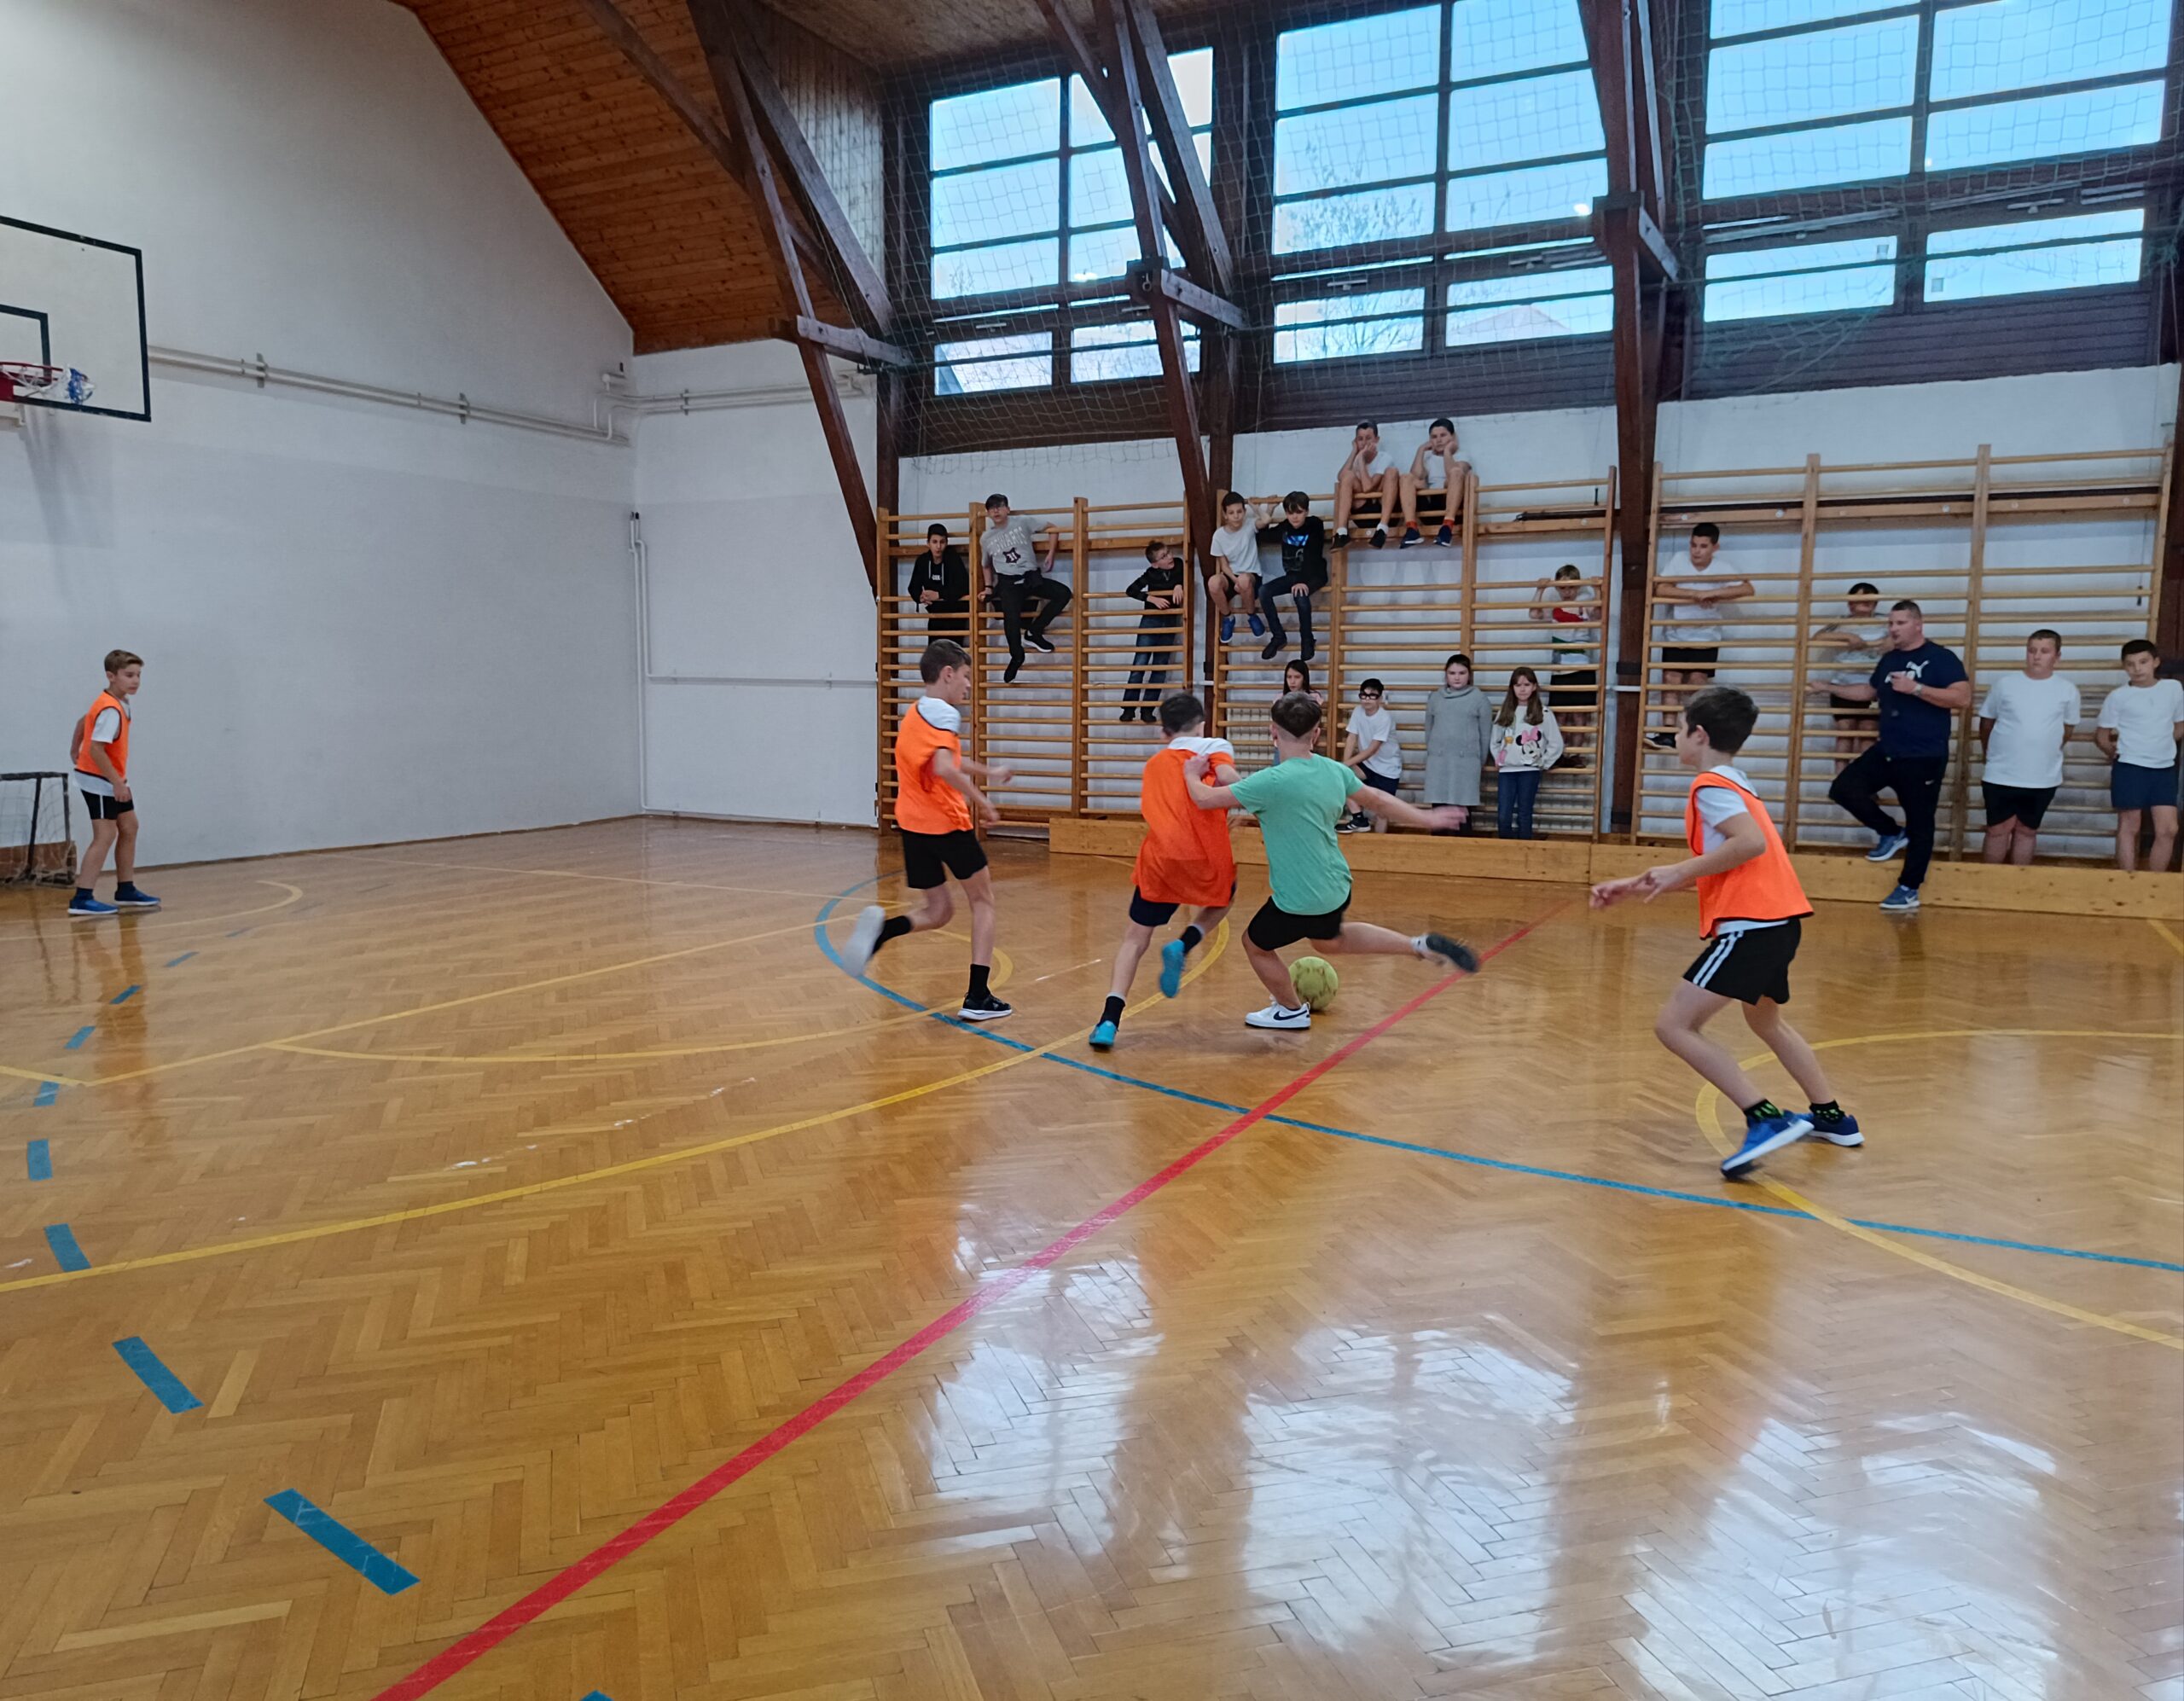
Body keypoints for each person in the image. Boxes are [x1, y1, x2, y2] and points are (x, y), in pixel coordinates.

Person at [1590, 685, 1861, 1180]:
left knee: (1674, 1026)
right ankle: (1831, 1117)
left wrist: (1677, 870)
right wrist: (1635, 884)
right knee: (1766, 1023)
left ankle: (1765, 1117)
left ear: (1699, 734)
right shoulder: (1737, 784)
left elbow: (1750, 844)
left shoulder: (1709, 786)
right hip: (1778, 923)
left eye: (1678, 729)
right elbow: (1726, 862)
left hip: (1750, 928)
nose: (1674, 737)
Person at [1182, 692, 1477, 1030]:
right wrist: (1427, 818)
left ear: (1272, 732)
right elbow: (1378, 800)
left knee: (1255, 944)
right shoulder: (1335, 771)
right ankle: (1417, 945)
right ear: (1317, 733)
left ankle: (1290, 1011)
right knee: (1329, 940)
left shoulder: (1269, 782)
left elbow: (1204, 799)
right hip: (1335, 886)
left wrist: (1191, 773)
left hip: (1299, 899)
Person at [844, 639, 1014, 1020]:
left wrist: (989, 771)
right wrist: (983, 800)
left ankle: (883, 932)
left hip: (913, 825)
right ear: (948, 674)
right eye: (966, 676)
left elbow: (945, 759)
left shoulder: (916, 714)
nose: (968, 684)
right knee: (983, 902)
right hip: (946, 823)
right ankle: (978, 996)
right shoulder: (946, 714)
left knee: (939, 911)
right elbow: (944, 768)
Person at [1089, 693, 1241, 1051]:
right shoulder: (1214, 747)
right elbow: (1230, 781)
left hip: (1161, 861)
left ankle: (1108, 1021)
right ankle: (1184, 943)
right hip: (1204, 860)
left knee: (1134, 940)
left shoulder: (1154, 764)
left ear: (1164, 732)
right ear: (1201, 724)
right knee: (1225, 898)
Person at [1815, 599, 1971, 913]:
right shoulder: (1889, 659)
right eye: (1891, 624)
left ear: (1918, 625)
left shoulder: (1940, 658)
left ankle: (1909, 887)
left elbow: (1963, 698)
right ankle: (1889, 832)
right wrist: (1827, 687)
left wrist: (1917, 689)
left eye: (1900, 623)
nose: (1894, 629)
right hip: (1888, 749)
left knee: (1920, 823)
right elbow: (1870, 692)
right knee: (1844, 789)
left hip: (1923, 755)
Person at [68, 647, 159, 920]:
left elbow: (84, 720)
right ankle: (82, 898)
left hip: (110, 779)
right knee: (105, 835)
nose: (136, 681)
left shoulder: (116, 701)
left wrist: (74, 746)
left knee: (129, 827)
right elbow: (96, 749)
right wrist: (117, 783)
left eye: (138, 675)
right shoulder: (110, 708)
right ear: (111, 676)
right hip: (99, 780)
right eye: (129, 675)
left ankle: (126, 889)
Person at [1647, 522, 1753, 750]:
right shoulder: (1679, 560)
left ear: (1715, 547)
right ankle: (1667, 732)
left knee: (1697, 683)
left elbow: (1746, 588)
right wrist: (1695, 594)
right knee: (1671, 682)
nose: (1696, 551)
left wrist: (1714, 592)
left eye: (1703, 546)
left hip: (1706, 636)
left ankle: (1692, 731)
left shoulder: (1722, 567)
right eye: (1693, 545)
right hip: (1676, 634)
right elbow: (1661, 588)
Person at [1978, 629, 2078, 866]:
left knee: (2027, 830)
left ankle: (2019, 881)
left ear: (2057, 656)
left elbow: (2066, 730)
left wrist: (2045, 750)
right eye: (2032, 650)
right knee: (1997, 829)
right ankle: (1989, 881)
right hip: (2002, 772)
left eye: (2044, 651)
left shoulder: (2067, 690)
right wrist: (1991, 754)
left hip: (2042, 776)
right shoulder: (2005, 685)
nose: (2037, 656)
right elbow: (1986, 723)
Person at [2096, 638, 2183, 872]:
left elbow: (2180, 723)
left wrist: (2161, 743)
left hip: (2163, 768)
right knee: (2129, 826)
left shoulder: (2173, 689)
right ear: (2124, 667)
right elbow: (2102, 736)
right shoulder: (2118, 697)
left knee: (2168, 829)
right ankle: (2128, 881)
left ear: (2156, 662)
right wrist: (2117, 753)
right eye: (2130, 664)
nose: (2137, 669)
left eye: (2143, 662)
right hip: (2130, 767)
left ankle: (2154, 882)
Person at [977, 494, 1068, 684]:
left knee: (1063, 594)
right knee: (1011, 620)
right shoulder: (986, 538)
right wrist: (988, 587)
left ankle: (1034, 631)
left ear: (1007, 509)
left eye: (999, 506)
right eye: (992, 508)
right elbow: (986, 565)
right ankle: (1017, 656)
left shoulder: (1022, 522)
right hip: (1008, 582)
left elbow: (1053, 528)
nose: (996, 510)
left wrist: (1051, 554)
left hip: (1029, 576)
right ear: (988, 513)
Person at [1809, 583, 1886, 767]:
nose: (1865, 602)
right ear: (1850, 604)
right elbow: (1818, 637)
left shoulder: (1885, 622)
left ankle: (1866, 780)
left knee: (1868, 731)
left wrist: (1884, 641)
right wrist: (1847, 636)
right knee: (1845, 731)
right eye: (1860, 599)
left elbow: (1899, 636)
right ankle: (1841, 779)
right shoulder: (1841, 622)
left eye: (1869, 599)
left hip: (1872, 686)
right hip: (1843, 685)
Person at [1531, 564, 1598, 769]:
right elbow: (1534, 614)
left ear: (1578, 587)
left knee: (1579, 715)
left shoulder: (1583, 605)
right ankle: (1559, 753)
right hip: (1559, 669)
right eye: (1562, 588)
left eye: (1571, 587)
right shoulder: (1554, 607)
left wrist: (1598, 589)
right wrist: (1540, 590)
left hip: (1582, 668)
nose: (1567, 592)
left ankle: (1576, 754)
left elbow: (1599, 614)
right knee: (1559, 714)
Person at [1422, 653, 1494, 832]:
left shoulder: (1479, 699)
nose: (1457, 677)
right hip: (1439, 763)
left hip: (1466, 764)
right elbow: (1429, 729)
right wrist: (1434, 753)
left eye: (1462, 673)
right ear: (1446, 674)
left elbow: (1485, 735)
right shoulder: (1435, 698)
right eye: (1452, 673)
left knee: (1462, 814)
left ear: (1469, 675)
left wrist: (1477, 762)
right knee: (1438, 812)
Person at [1256, 491, 1328, 663]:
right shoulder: (1285, 527)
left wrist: (1304, 582)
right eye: (1290, 513)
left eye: (1299, 512)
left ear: (1306, 512)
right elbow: (1262, 536)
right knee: (1264, 591)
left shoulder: (1315, 525)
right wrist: (1269, 510)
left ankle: (1307, 639)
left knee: (1300, 596)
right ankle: (1278, 636)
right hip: (1294, 577)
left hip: (1314, 575)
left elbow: (1313, 554)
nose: (1295, 517)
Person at [1490, 667, 1563, 839]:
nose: (1522, 689)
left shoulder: (1544, 713)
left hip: (1529, 771)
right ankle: (1506, 847)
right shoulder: (1505, 712)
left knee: (1524, 813)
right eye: (1518, 685)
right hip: (1507, 770)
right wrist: (1499, 758)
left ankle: (1525, 848)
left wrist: (1543, 762)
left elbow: (1556, 743)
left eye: (1526, 685)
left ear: (1534, 687)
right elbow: (1495, 740)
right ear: (1512, 688)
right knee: (1504, 815)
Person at [1120, 539, 1186, 723]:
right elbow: (1131, 590)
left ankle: (1148, 709)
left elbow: (1183, 576)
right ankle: (1128, 708)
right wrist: (1151, 598)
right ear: (1155, 564)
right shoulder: (1150, 574)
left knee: (1160, 667)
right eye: (1164, 556)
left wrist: (1179, 585)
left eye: (1169, 552)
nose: (1170, 557)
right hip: (1151, 620)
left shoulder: (1179, 565)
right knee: (1140, 665)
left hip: (1170, 621)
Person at [1340, 677, 1403, 834]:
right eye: (1364, 695)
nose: (1367, 699)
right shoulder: (1357, 711)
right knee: (1343, 778)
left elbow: (1372, 749)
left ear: (1379, 698)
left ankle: (1379, 843)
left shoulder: (1384, 718)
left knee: (1382, 814)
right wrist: (1344, 765)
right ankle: (1359, 819)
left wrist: (1346, 764)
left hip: (1387, 769)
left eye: (1372, 695)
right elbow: (1351, 738)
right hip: (1368, 765)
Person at [1399, 418, 1470, 549]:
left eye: (1443, 435)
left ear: (1452, 437)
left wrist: (1447, 452)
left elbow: (1453, 474)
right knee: (1406, 477)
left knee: (1456, 472)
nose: (1439, 440)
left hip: (1451, 507)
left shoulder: (1461, 455)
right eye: (1434, 437)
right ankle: (1412, 529)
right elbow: (1416, 475)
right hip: (1431, 504)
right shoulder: (1428, 457)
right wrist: (1421, 450)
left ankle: (1447, 526)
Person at [1207, 491, 1265, 644]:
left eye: (1239, 511)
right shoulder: (1219, 536)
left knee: (1245, 580)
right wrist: (1235, 580)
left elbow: (1266, 520)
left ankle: (1251, 615)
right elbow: (1224, 565)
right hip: (1231, 576)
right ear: (1225, 515)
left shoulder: (1250, 525)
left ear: (1244, 512)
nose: (1236, 516)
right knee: (1213, 582)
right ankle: (1228, 617)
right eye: (1231, 513)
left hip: (1251, 575)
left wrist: (1255, 508)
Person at [1332, 421, 1400, 549]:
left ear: (1376, 440)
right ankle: (1341, 532)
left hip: (1383, 511)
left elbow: (1368, 487)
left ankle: (1382, 530)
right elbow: (1341, 477)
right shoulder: (1357, 457)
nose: (1364, 442)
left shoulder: (1385, 458)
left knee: (1391, 472)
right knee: (1348, 476)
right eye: (1360, 439)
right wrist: (1354, 452)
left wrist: (1361, 461)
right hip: (1363, 511)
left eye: (1368, 438)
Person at [907, 523, 971, 641]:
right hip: (935, 614)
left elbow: (964, 586)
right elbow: (913, 587)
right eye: (934, 542)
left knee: (952, 650)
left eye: (942, 542)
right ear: (928, 543)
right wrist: (920, 597)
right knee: (935, 649)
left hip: (956, 614)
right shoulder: (922, 561)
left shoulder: (953, 559)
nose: (938, 546)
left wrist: (939, 594)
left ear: (946, 543)